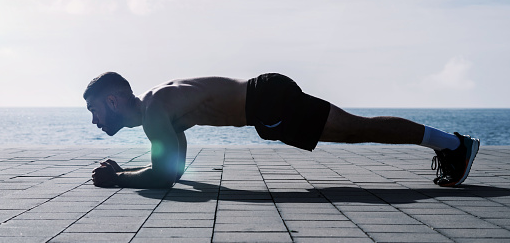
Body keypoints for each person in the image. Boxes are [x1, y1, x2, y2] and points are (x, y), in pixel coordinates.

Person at [87, 72, 479, 188]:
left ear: (113, 101)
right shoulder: (158, 107)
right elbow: (176, 159)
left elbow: (165, 176)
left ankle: (454, 144)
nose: (94, 122)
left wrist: (119, 176)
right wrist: (169, 171)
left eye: (94, 112)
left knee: (356, 130)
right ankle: (452, 144)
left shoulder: (155, 112)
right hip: (265, 99)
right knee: (356, 130)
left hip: (267, 102)